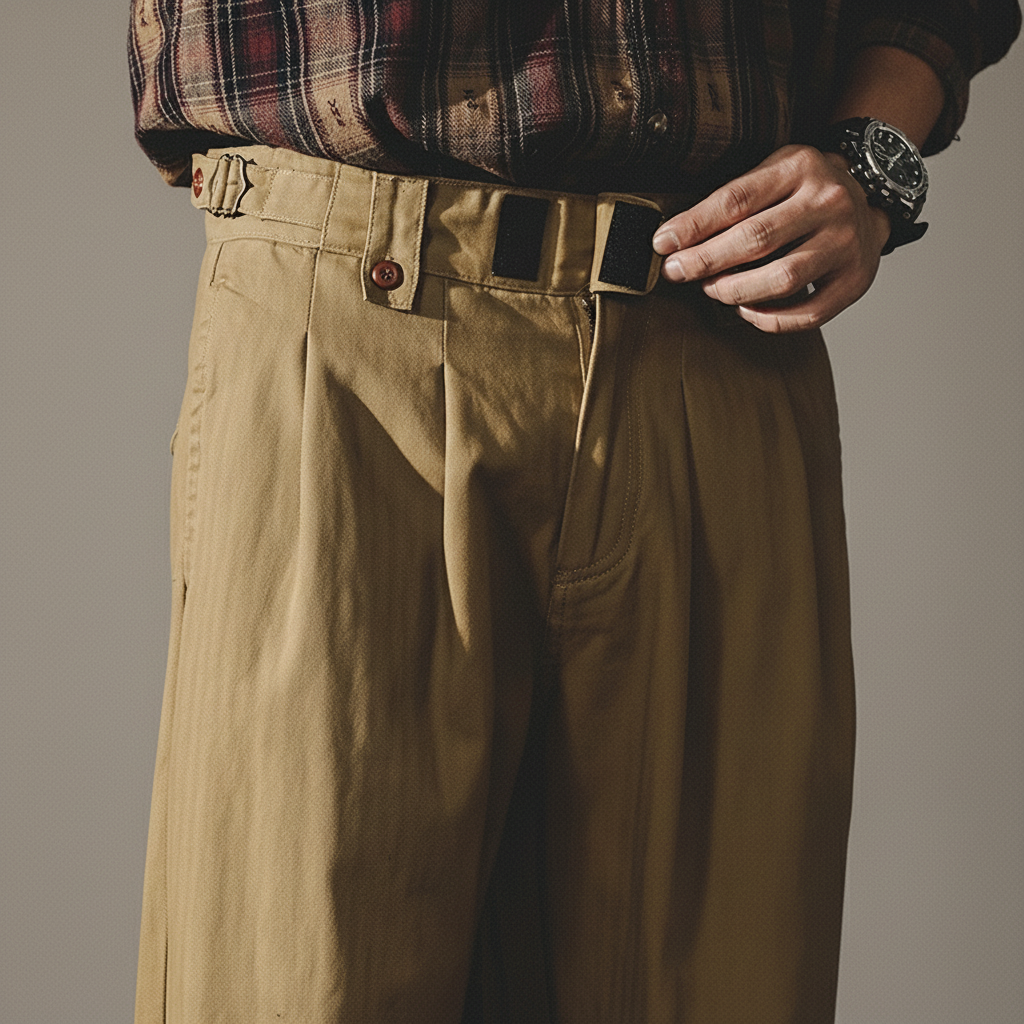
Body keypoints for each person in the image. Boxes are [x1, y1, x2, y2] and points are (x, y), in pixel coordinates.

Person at [129, 2, 1019, 1021]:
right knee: (299, 980)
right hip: (354, 322)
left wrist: (871, 158)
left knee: (727, 987)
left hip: (716, 325)